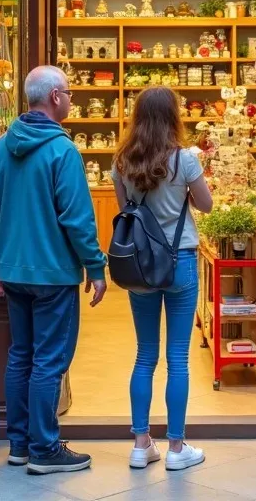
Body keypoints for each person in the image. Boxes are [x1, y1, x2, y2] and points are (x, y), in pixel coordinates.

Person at [0, 65, 108, 475]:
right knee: (49, 360)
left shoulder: (0, 147)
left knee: (21, 356)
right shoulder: (61, 151)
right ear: (54, 97)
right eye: (68, 92)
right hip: (53, 274)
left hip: (13, 272)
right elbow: (78, 218)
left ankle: (19, 444)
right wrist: (95, 266)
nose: (71, 99)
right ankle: (45, 449)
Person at [111, 87, 213, 471]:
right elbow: (206, 205)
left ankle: (140, 444)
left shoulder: (121, 161)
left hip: (142, 265)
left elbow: (128, 214)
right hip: (181, 260)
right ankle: (176, 447)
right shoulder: (184, 159)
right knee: (179, 359)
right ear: (174, 116)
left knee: (144, 355)